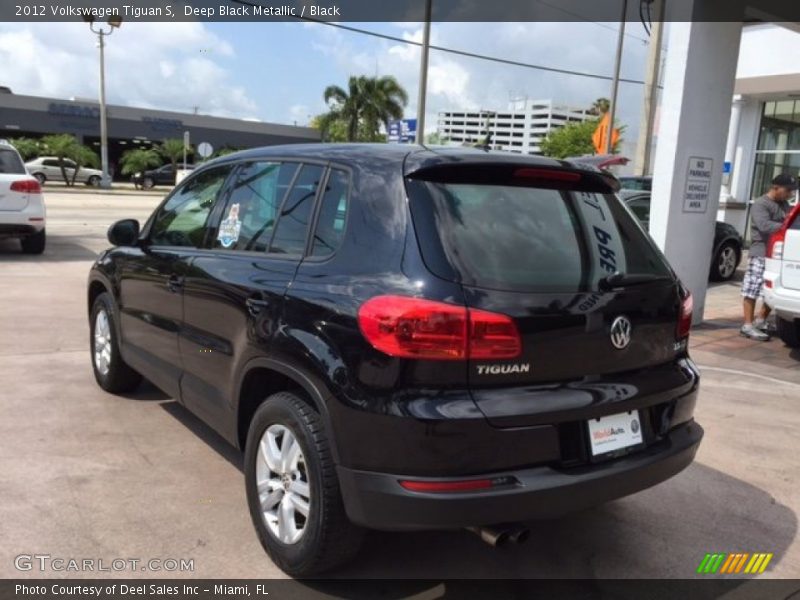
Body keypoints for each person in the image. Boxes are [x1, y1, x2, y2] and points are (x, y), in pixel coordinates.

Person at [740, 173, 797, 340]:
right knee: (752, 288)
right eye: (788, 190)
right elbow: (765, 226)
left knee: (770, 290)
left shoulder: (784, 204)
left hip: (776, 254)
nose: (790, 194)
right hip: (760, 252)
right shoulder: (760, 204)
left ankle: (760, 321)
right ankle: (747, 325)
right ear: (775, 187)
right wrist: (788, 227)